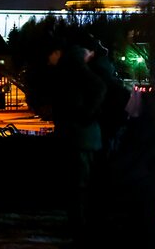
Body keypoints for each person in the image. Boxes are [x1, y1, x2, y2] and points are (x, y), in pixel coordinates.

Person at [46, 34, 106, 245]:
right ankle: (79, 226)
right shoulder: (72, 65)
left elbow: (98, 87)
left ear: (56, 53)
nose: (48, 62)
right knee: (78, 184)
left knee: (78, 184)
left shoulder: (70, 66)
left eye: (49, 57)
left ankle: (80, 229)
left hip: (78, 136)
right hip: (80, 135)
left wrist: (84, 115)